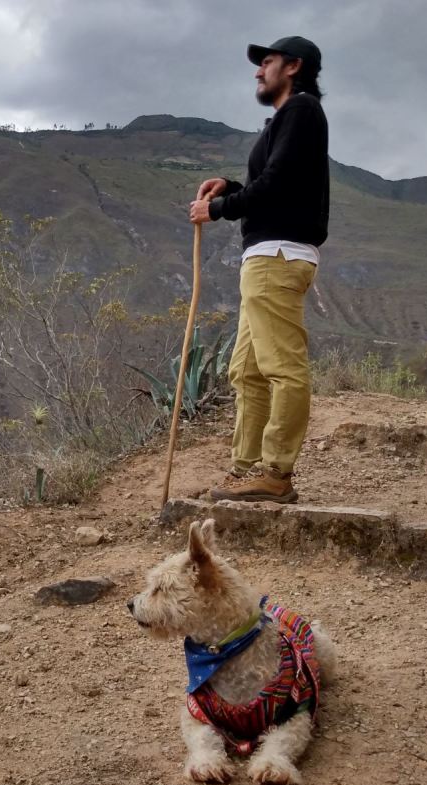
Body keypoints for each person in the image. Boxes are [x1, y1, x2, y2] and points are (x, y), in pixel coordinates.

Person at [188, 36, 329, 504]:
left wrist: (221, 207)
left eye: (265, 62)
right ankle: (245, 469)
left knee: (281, 367)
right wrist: (230, 185)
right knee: (246, 371)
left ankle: (276, 472)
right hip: (267, 256)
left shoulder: (302, 110)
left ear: (293, 66)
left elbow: (277, 183)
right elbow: (274, 183)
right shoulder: (285, 120)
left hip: (278, 257)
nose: (257, 71)